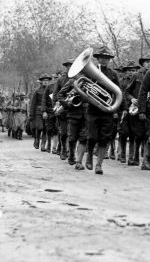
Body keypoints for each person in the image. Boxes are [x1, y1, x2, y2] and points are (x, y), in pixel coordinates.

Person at [85, 46, 125, 174]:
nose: (104, 60)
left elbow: (119, 91)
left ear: (109, 60)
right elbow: (83, 87)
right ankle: (90, 155)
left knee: (104, 138)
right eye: (102, 58)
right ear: (97, 59)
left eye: (106, 58)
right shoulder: (90, 71)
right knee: (91, 137)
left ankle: (99, 165)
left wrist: (122, 109)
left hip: (107, 110)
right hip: (93, 109)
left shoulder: (113, 74)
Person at [125, 55, 150, 166]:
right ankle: (135, 157)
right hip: (138, 108)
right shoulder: (136, 75)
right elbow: (127, 92)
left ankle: (146, 158)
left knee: (149, 134)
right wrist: (132, 99)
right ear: (142, 64)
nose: (149, 64)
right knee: (137, 134)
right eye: (146, 62)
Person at [58, 76, 88, 167]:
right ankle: (71, 155)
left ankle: (79, 162)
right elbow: (60, 95)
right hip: (73, 113)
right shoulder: (72, 81)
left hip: (86, 113)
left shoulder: (91, 81)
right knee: (72, 138)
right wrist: (66, 103)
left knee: (84, 138)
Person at [117, 61, 139, 163]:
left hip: (135, 110)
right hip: (124, 110)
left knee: (133, 134)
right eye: (129, 70)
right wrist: (122, 109)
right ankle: (122, 154)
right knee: (123, 132)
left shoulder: (138, 81)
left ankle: (131, 156)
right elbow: (119, 96)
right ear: (126, 71)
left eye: (133, 70)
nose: (131, 72)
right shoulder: (121, 82)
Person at [30, 74, 53, 151]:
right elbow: (33, 103)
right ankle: (36, 140)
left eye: (47, 81)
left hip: (48, 111)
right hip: (38, 111)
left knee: (46, 128)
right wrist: (31, 115)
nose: (46, 82)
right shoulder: (37, 91)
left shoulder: (51, 90)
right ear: (41, 82)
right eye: (44, 81)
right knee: (40, 127)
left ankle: (43, 144)